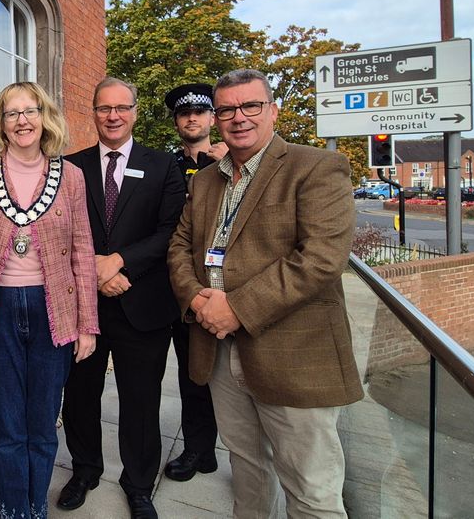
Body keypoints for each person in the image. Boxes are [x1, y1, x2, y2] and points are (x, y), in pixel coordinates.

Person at [167, 69, 362, 518]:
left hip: (292, 353)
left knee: (311, 489)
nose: (239, 117)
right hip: (219, 351)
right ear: (217, 119)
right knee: (248, 469)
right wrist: (198, 299)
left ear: (272, 110)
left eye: (250, 106)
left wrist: (235, 307)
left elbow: (320, 259)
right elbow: (180, 246)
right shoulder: (206, 180)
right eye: (228, 109)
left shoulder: (315, 167)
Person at [0, 82, 99, 519]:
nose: (22, 120)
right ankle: (12, 508)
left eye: (30, 111)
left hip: (52, 312)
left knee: (41, 425)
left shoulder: (71, 176)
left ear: (45, 117)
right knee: (5, 425)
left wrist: (87, 325)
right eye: (11, 112)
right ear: (0, 122)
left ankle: (35, 508)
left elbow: (82, 250)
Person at [59, 77, 186, 519]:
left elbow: (172, 231)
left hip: (143, 303)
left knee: (140, 399)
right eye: (103, 108)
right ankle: (85, 470)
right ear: (92, 113)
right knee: (78, 396)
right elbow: (62, 232)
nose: (113, 116)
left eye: (121, 108)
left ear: (134, 111)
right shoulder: (70, 167)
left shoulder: (164, 166)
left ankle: (137, 484)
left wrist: (119, 262)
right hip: (84, 306)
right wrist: (96, 271)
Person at [160, 83, 224, 483]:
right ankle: (199, 449)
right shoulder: (166, 166)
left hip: (216, 286)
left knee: (227, 376)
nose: (192, 119)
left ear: (212, 119)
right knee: (192, 374)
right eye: (184, 114)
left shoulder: (230, 162)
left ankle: (236, 447)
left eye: (200, 113)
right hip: (173, 284)